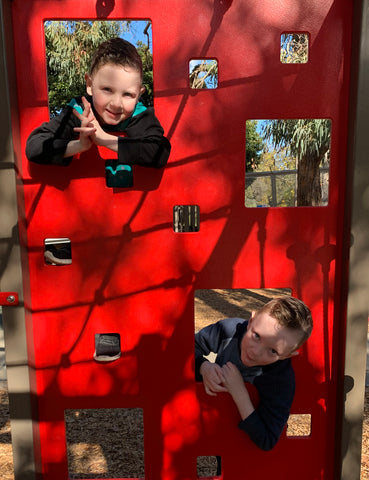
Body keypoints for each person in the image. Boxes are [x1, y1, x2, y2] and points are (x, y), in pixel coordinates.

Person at [26, 37, 171, 168]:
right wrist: (79, 145)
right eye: (107, 89)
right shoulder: (80, 110)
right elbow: (35, 146)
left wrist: (104, 139)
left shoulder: (139, 114)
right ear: (89, 85)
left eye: (128, 94)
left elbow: (159, 152)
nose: (116, 104)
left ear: (139, 94)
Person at [195, 295, 313, 453]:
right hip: (204, 424)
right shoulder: (230, 330)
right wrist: (203, 366)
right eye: (256, 336)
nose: (255, 352)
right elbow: (188, 347)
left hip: (240, 448)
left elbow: (267, 438)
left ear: (286, 355)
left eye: (273, 351)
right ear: (251, 321)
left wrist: (239, 392)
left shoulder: (281, 380)